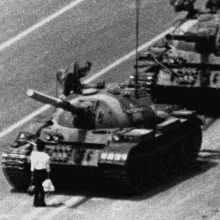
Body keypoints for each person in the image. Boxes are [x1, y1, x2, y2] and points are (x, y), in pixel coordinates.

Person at [30, 138, 50, 207]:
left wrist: (32, 174)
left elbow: (32, 166)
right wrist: (48, 175)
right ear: (44, 148)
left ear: (37, 147)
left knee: (36, 187)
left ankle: (35, 202)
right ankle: (42, 202)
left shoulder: (34, 155)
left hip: (36, 172)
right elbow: (47, 167)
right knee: (42, 188)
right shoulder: (46, 156)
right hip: (43, 172)